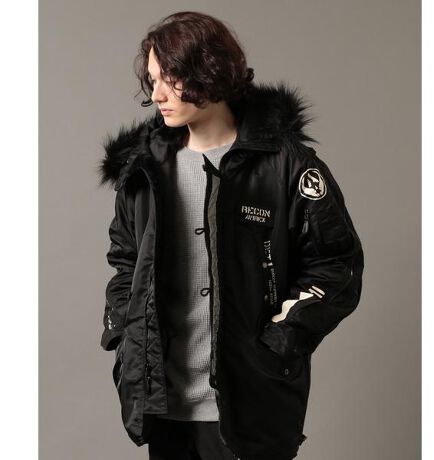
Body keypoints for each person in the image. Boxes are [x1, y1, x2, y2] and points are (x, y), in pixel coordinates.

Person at [97, 11, 364, 460]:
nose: (157, 95)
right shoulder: (144, 171)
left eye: (171, 79)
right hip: (164, 406)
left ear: (210, 71)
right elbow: (126, 261)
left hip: (251, 407)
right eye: (153, 80)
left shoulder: (286, 165)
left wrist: (279, 341)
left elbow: (337, 265)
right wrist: (126, 336)